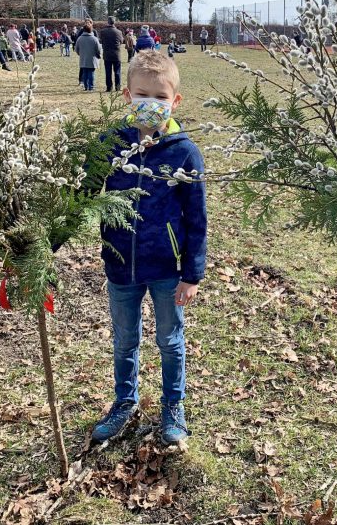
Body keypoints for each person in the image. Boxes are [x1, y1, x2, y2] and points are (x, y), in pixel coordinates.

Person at [90, 49, 207, 445]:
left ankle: (173, 404)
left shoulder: (184, 152)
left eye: (160, 97)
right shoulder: (110, 144)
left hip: (166, 269)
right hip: (121, 264)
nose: (150, 104)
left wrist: (191, 274)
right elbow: (80, 196)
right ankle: (125, 401)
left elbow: (196, 218)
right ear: (127, 95)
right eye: (143, 95)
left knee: (169, 340)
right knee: (124, 339)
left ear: (175, 101)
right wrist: (43, 246)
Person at [100, 16, 124, 92]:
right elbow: (121, 41)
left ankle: (109, 87)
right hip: (116, 54)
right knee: (117, 72)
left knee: (108, 72)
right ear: (114, 22)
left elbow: (101, 41)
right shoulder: (119, 32)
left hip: (107, 54)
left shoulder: (103, 31)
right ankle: (117, 87)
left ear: (108, 22)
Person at [75, 22, 101, 91]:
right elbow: (98, 49)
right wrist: (98, 55)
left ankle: (86, 86)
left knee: (85, 72)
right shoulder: (94, 39)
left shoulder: (80, 38)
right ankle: (91, 86)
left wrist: (80, 54)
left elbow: (76, 49)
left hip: (83, 58)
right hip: (92, 58)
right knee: (91, 73)